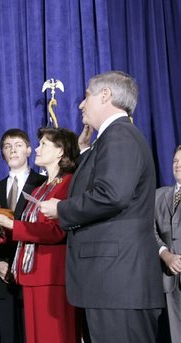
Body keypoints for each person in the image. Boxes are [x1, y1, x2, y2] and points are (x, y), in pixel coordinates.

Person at [40, 71, 164, 343]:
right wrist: (85, 150)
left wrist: (62, 210)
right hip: (112, 284)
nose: (82, 105)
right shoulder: (111, 139)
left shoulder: (120, 136)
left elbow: (111, 195)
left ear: (105, 96)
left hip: (118, 284)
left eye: (87, 96)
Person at [0, 127, 82, 343]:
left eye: (43, 144)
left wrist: (11, 224)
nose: (37, 149)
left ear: (60, 151)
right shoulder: (39, 189)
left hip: (53, 277)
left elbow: (57, 231)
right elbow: (26, 230)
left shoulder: (69, 184)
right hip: (32, 276)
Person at [0, 128, 46, 343]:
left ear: (28, 150)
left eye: (17, 145)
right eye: (7, 147)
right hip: (1, 282)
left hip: (33, 275)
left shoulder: (43, 186)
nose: (12, 150)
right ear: (3, 154)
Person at [155, 145, 181, 342]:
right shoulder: (158, 196)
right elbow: (148, 230)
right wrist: (165, 254)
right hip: (167, 281)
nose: (177, 165)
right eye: (175, 161)